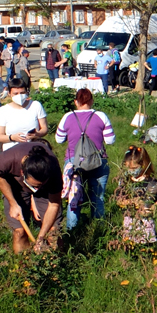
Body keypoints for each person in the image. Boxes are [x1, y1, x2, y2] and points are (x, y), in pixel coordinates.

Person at [54, 88, 115, 229]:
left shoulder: (67, 117)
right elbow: (110, 140)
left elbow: (59, 139)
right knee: (98, 198)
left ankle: (72, 231)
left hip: (73, 163)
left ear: (76, 102)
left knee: (73, 198)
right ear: (92, 101)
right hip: (98, 161)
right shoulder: (101, 116)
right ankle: (99, 229)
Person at [0, 142, 63, 253]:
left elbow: (54, 205)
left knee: (53, 231)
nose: (36, 188)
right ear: (22, 172)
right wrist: (13, 203)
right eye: (35, 185)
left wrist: (40, 237)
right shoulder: (7, 160)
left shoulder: (53, 170)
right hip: (16, 187)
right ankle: (23, 265)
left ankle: (55, 264)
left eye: (40, 185)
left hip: (47, 190)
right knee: (19, 232)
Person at [113, 145, 157, 248]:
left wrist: (151, 209)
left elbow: (156, 202)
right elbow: (119, 201)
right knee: (130, 245)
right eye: (128, 168)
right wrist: (134, 202)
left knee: (147, 245)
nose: (131, 171)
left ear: (143, 165)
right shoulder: (125, 181)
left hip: (145, 221)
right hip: (129, 220)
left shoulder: (151, 182)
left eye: (134, 168)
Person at [0, 77, 48, 153]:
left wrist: (37, 134)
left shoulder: (36, 105)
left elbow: (44, 128)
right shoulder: (3, 110)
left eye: (22, 93)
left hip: (33, 150)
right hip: (11, 151)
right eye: (15, 93)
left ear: (26, 92)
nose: (19, 96)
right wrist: (12, 137)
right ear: (9, 93)